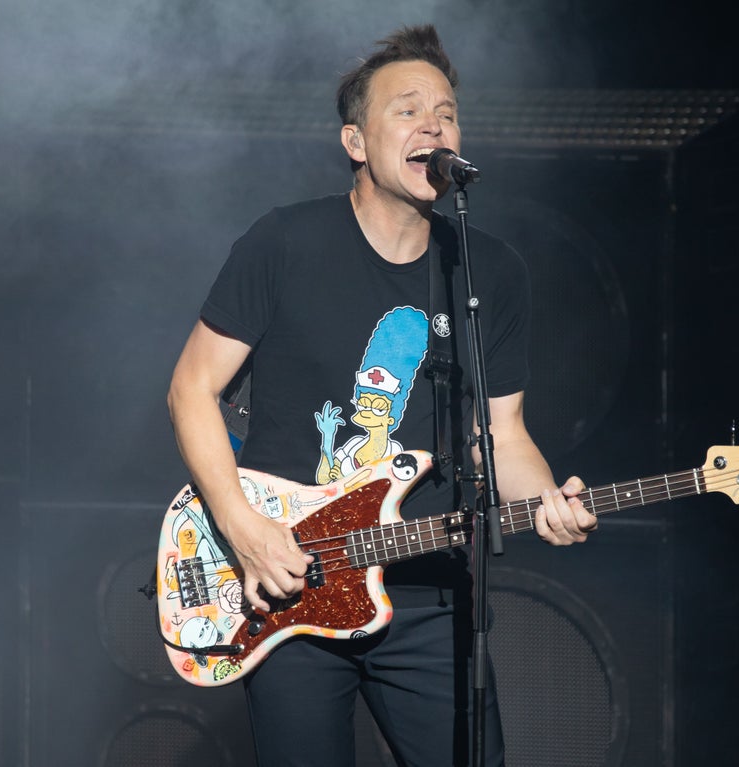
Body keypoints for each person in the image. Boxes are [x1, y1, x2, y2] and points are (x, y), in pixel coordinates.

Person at [167, 23, 598, 766]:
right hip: (292, 584)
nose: (434, 124)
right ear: (356, 141)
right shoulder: (284, 244)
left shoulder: (489, 272)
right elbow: (190, 389)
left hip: (429, 590)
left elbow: (500, 435)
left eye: (447, 113)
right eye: (408, 110)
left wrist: (547, 502)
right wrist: (244, 529)